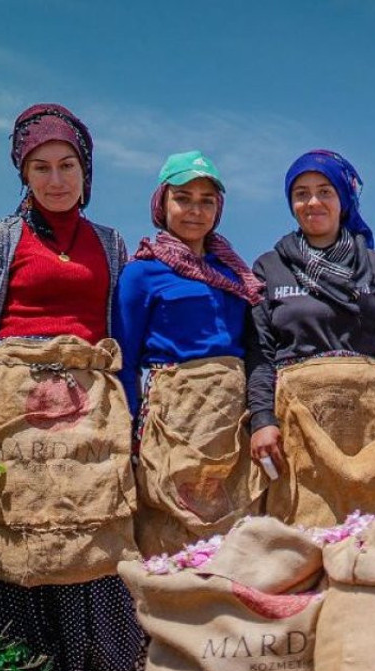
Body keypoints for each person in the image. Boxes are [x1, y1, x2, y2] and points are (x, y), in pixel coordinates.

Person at [0, 103, 140, 671]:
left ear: (87, 171)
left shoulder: (110, 243)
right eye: (42, 168)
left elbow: (123, 330)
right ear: (24, 176)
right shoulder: (4, 240)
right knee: (25, 536)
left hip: (91, 403)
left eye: (68, 166)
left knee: (96, 529)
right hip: (13, 401)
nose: (56, 180)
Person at [247, 150, 375, 527]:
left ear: (343, 199)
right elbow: (260, 353)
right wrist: (262, 419)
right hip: (300, 425)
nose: (312, 202)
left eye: (324, 191)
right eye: (301, 193)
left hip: (372, 421)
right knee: (303, 531)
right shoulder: (270, 267)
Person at [115, 150, 267, 556]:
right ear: (162, 203)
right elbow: (124, 360)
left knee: (235, 517)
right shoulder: (141, 273)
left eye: (207, 200)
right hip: (176, 413)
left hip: (232, 414)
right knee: (172, 517)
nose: (195, 210)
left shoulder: (235, 273)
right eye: (183, 198)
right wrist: (128, 432)